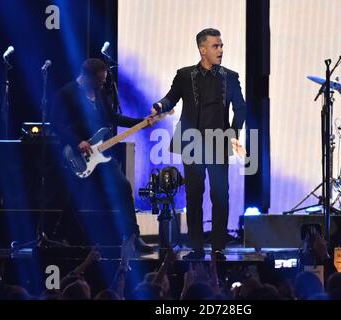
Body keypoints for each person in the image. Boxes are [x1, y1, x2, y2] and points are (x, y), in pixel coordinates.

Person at [153, 28, 247, 260]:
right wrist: (158, 106)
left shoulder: (230, 77)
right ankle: (195, 247)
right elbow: (171, 97)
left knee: (220, 195)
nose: (221, 50)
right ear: (202, 49)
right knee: (194, 196)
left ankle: (217, 247)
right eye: (216, 46)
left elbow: (241, 108)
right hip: (192, 143)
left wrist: (234, 133)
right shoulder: (185, 76)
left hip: (218, 143)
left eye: (222, 46)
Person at [51, 58, 153, 253]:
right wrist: (77, 141)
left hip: (102, 155)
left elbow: (112, 117)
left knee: (123, 187)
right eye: (100, 80)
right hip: (80, 156)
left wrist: (141, 122)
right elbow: (56, 123)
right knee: (76, 197)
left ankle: (132, 238)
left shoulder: (98, 93)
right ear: (87, 77)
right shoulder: (67, 93)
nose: (103, 83)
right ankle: (59, 235)